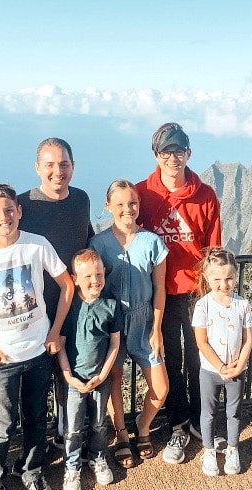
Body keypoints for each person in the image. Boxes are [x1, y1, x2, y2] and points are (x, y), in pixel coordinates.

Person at [0, 183, 74, 490]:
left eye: (9, 210)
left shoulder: (36, 245)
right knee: (2, 422)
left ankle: (31, 471)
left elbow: (67, 286)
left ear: (20, 211)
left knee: (37, 417)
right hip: (2, 356)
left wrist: (55, 331)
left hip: (39, 349)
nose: (4, 217)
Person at [135, 122, 222, 465]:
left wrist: (215, 293)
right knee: (168, 358)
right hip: (159, 293)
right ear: (156, 155)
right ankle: (178, 425)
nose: (174, 158)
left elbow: (213, 247)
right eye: (166, 151)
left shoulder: (206, 195)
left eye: (179, 150)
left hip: (197, 292)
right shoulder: (143, 193)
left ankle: (202, 419)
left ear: (189, 152)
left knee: (199, 357)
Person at [17, 137, 94, 451]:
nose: (57, 171)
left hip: (71, 305)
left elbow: (87, 239)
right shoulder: (24, 205)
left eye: (63, 164)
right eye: (49, 164)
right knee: (34, 385)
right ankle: (34, 446)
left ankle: (68, 436)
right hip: (33, 309)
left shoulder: (81, 200)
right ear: (38, 167)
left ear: (73, 166)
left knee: (69, 376)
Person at [89, 179, 169, 468]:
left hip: (144, 320)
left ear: (139, 205)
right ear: (108, 206)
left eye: (132, 203)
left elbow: (159, 289)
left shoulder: (153, 242)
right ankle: (122, 434)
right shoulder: (98, 244)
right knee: (114, 380)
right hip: (112, 322)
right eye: (120, 204)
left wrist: (156, 327)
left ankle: (143, 425)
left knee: (160, 387)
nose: (127, 209)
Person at [57, 249, 121, 490]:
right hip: (74, 380)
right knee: (72, 427)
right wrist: (68, 376)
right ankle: (72, 466)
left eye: (98, 274)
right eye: (88, 276)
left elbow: (114, 343)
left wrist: (104, 374)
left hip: (100, 378)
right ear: (75, 278)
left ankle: (97, 456)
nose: (95, 280)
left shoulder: (111, 305)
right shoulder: (69, 307)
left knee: (98, 422)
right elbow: (60, 344)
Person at [192, 247, 252, 476]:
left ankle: (232, 448)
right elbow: (201, 342)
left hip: (237, 370)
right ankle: (208, 451)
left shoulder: (243, 305)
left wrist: (239, 364)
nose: (223, 284)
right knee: (207, 412)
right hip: (210, 371)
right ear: (207, 278)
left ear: (235, 276)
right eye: (217, 279)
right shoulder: (202, 306)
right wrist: (220, 367)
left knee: (234, 412)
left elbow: (248, 339)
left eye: (228, 278)